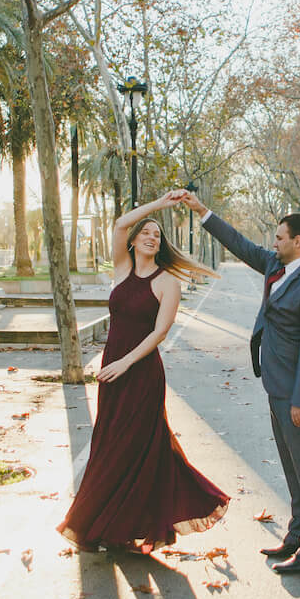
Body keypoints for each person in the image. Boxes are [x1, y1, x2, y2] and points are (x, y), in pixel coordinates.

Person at [57, 193, 228, 554]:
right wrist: (160, 205)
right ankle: (109, 527)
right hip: (112, 372)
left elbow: (159, 333)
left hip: (141, 374)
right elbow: (119, 223)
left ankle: (124, 527)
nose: (152, 237)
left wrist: (125, 363)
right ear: (134, 241)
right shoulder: (121, 269)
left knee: (136, 450)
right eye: (146, 233)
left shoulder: (169, 283)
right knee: (108, 446)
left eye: (158, 235)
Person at [175, 189, 300, 575]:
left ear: (298, 242)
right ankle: (297, 536)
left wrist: (299, 400)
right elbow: (239, 244)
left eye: (280, 237)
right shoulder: (275, 267)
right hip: (276, 386)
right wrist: (203, 212)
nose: (273, 242)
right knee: (293, 469)